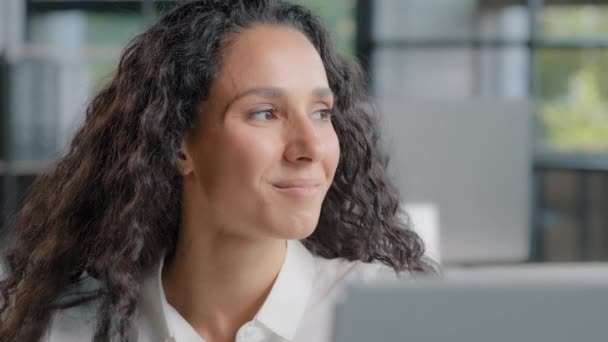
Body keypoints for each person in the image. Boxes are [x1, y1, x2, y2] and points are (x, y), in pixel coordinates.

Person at [0, 1, 434, 341]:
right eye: (266, 113)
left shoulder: (399, 312)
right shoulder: (65, 331)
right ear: (179, 144)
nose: (311, 147)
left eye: (321, 113)